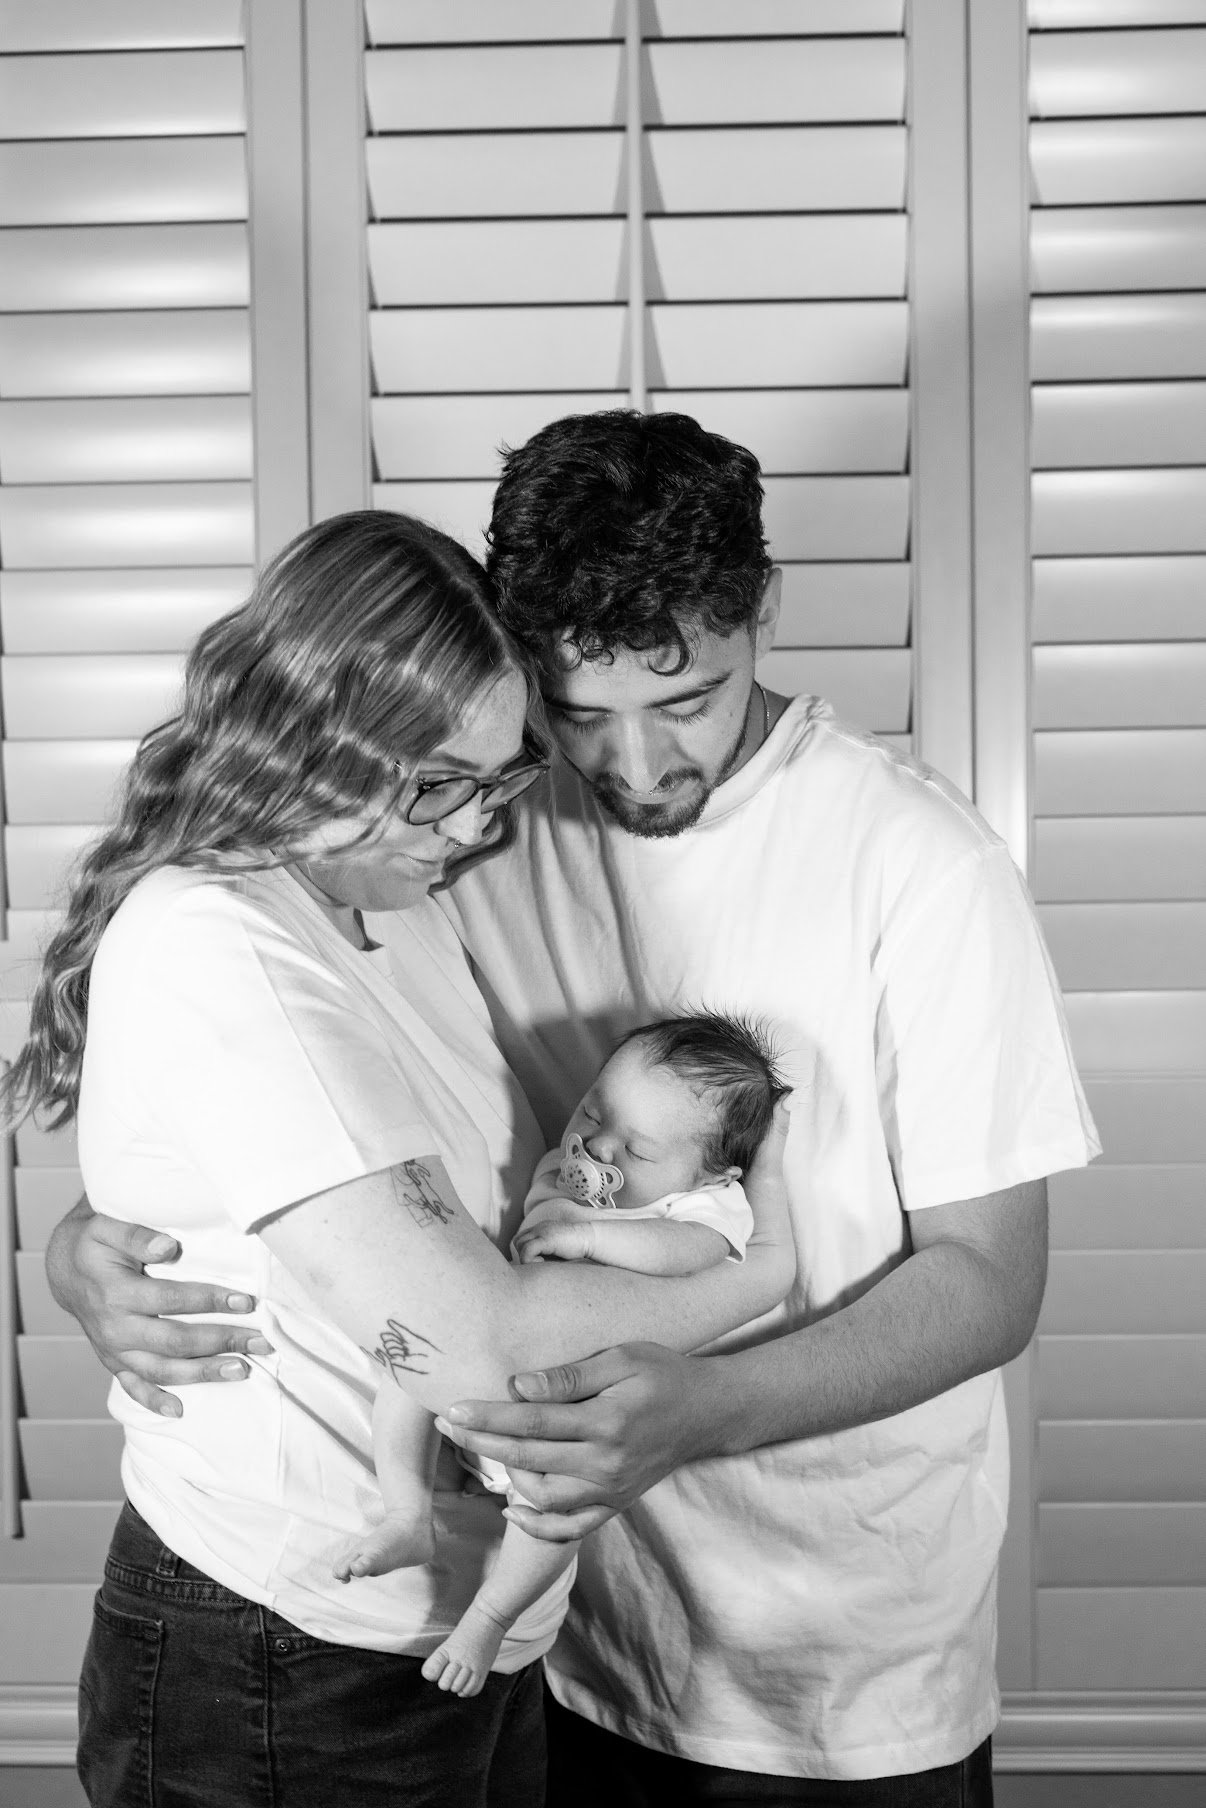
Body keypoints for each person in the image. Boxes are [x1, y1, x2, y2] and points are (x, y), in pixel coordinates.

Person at [48, 412, 1099, 1804]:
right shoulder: (465, 818)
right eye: (580, 713)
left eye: (688, 700)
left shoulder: (919, 866)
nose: (632, 765)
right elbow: (279, 1052)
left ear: (761, 616)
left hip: (832, 1654)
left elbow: (985, 1284)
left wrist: (701, 1406)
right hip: (567, 1623)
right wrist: (94, 1236)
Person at [14, 507, 793, 1808]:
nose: (469, 823)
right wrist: (761, 1274)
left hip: (453, 1638)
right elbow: (465, 1341)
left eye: (494, 781)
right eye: (439, 781)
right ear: (309, 731)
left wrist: (78, 1241)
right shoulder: (221, 941)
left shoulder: (400, 901)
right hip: (286, 1644)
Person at [341, 1011, 785, 1704]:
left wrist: (592, 1238)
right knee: (406, 1382)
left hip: (570, 1413)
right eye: (594, 1111)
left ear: (713, 1173)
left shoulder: (707, 1209)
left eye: (637, 1152)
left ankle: (487, 1619)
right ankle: (405, 1515)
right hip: (491, 1373)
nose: (598, 1148)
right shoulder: (571, 1163)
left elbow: (690, 1254)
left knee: (555, 1515)